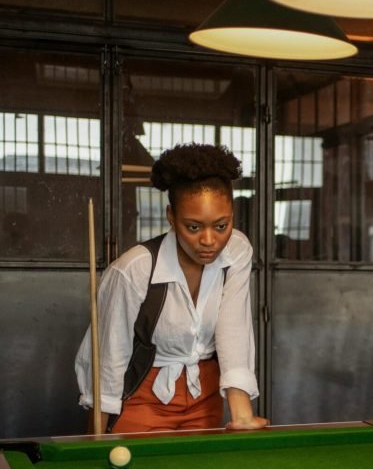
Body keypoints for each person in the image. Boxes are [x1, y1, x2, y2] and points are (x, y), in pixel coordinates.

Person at [75, 143, 268, 434]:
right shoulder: (134, 270)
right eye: (193, 227)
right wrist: (94, 439)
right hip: (142, 398)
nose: (209, 240)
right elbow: (109, 360)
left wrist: (241, 415)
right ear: (171, 217)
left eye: (221, 225)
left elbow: (234, 327)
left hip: (205, 396)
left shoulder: (237, 251)